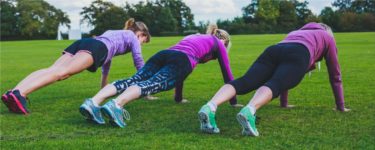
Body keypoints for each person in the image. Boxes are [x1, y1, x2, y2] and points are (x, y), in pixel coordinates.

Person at [198, 22, 350, 136]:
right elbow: (335, 75)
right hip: (300, 52)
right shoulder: (327, 37)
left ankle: (210, 106)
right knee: (275, 83)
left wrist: (284, 104)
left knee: (244, 82)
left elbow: (283, 71)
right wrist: (340, 106)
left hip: (274, 49)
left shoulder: (296, 32)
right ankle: (250, 111)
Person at [79, 24, 239, 127]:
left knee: (133, 80)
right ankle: (117, 104)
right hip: (182, 61)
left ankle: (93, 102)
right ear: (225, 42)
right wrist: (233, 101)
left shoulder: (194, 36)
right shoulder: (219, 44)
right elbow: (228, 75)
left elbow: (180, 71)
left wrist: (178, 98)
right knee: (151, 84)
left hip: (163, 54)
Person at [1, 18, 151, 115]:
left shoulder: (115, 32)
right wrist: (145, 87)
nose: (142, 43)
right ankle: (20, 94)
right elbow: (138, 59)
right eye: (144, 40)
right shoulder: (132, 37)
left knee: (52, 69)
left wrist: (103, 89)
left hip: (86, 42)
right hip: (97, 48)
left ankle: (14, 92)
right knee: (62, 73)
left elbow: (107, 62)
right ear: (141, 34)